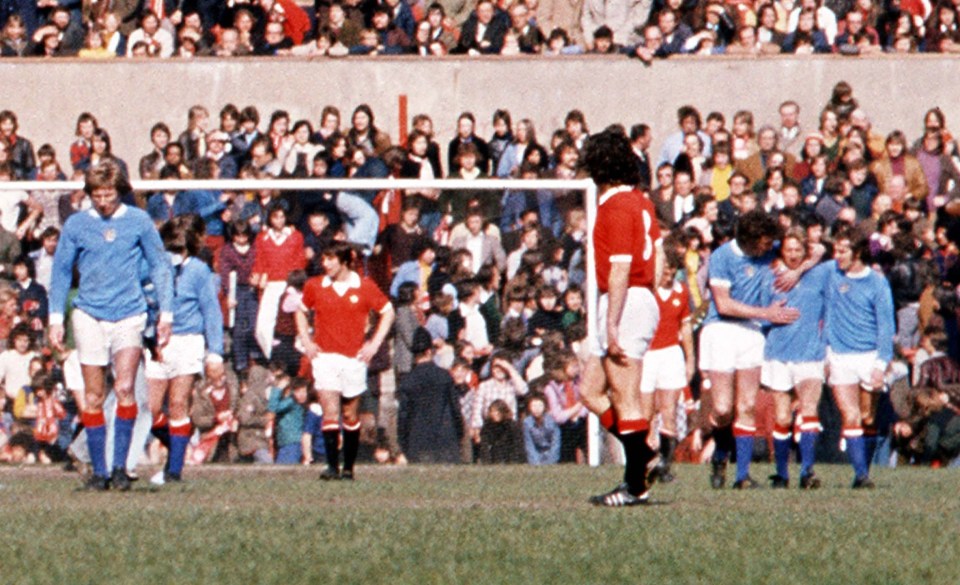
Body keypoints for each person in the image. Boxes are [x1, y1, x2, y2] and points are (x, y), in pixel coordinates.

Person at [48, 160, 174, 491]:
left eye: (109, 194)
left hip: (129, 313)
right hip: (89, 313)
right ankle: (99, 471)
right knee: (92, 394)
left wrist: (167, 312)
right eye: (97, 195)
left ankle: (121, 467)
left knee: (125, 388)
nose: (103, 201)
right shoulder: (77, 225)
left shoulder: (138, 221)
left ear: (119, 192)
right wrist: (55, 318)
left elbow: (160, 264)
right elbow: (61, 270)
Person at [576, 129, 660, 507]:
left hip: (625, 301)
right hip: (632, 299)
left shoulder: (618, 206)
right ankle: (644, 454)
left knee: (626, 397)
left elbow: (622, 268)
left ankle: (635, 486)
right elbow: (657, 255)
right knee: (590, 391)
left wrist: (613, 322)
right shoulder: (640, 202)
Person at [699, 210, 802, 490]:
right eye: (765, 243)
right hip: (721, 330)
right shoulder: (722, 257)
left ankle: (742, 476)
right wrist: (766, 313)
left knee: (746, 405)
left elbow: (814, 250)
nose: (770, 249)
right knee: (722, 409)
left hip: (752, 332)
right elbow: (723, 305)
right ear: (750, 239)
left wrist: (798, 270)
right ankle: (720, 453)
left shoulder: (770, 250)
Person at [295, 241, 395, 480]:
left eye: (331, 259)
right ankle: (331, 466)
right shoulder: (315, 285)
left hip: (353, 359)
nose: (325, 263)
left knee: (350, 414)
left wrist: (374, 343)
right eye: (324, 258)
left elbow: (388, 312)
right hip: (325, 358)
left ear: (345, 260)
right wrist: (307, 341)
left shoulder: (364, 286)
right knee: (329, 410)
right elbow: (300, 311)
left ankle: (348, 467)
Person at [146, 216, 224, 485]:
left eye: (179, 249)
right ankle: (178, 446)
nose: (174, 255)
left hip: (188, 339)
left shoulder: (199, 271)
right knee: (151, 407)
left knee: (179, 403)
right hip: (158, 340)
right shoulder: (153, 267)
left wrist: (215, 352)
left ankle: (174, 470)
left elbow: (211, 312)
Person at [825, 227, 895, 488]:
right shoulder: (831, 273)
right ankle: (861, 475)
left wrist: (881, 363)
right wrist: (826, 353)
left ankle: (864, 469)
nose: (837, 255)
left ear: (857, 252)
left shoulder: (876, 282)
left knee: (867, 416)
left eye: (843, 250)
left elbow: (886, 325)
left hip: (869, 356)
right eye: (836, 249)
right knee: (850, 415)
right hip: (840, 355)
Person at [761, 228, 830, 489]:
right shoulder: (770, 277)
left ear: (805, 251)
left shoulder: (819, 273)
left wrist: (802, 268)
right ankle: (781, 473)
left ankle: (807, 471)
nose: (792, 254)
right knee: (782, 417)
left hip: (810, 353)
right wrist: (770, 314)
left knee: (809, 410)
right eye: (788, 250)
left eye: (797, 250)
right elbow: (759, 313)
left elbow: (824, 248)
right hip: (777, 352)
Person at [642, 249, 695, 484]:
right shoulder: (647, 292)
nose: (668, 273)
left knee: (669, 412)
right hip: (647, 355)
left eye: (672, 268)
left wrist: (690, 358)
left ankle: (665, 465)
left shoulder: (681, 292)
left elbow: (685, 328)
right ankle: (646, 460)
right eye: (664, 268)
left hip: (671, 353)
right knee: (646, 413)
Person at [396, 327, 463, 463]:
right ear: (429, 351)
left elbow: (403, 417)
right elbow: (456, 409)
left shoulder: (407, 381)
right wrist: (459, 435)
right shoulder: (444, 377)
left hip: (418, 443)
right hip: (446, 442)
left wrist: (403, 444)